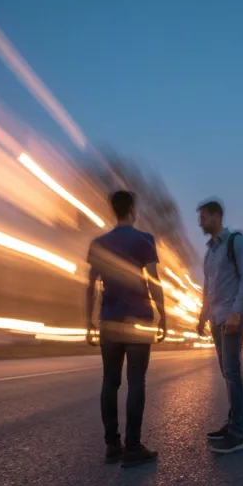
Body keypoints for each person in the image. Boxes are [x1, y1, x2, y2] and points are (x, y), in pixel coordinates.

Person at [86, 190, 166, 468]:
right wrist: (162, 314)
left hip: (109, 319)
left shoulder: (98, 243)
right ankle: (132, 447)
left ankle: (112, 445)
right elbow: (153, 280)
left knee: (110, 381)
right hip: (139, 320)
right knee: (136, 381)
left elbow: (92, 286)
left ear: (113, 209)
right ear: (132, 209)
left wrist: (89, 322)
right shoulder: (144, 240)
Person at [197, 200, 243, 454]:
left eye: (203, 217)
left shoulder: (236, 242)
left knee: (232, 373)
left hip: (232, 317)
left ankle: (238, 433)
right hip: (216, 318)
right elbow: (208, 288)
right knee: (227, 373)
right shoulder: (210, 252)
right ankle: (232, 423)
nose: (200, 222)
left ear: (216, 216)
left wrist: (236, 311)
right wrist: (202, 316)